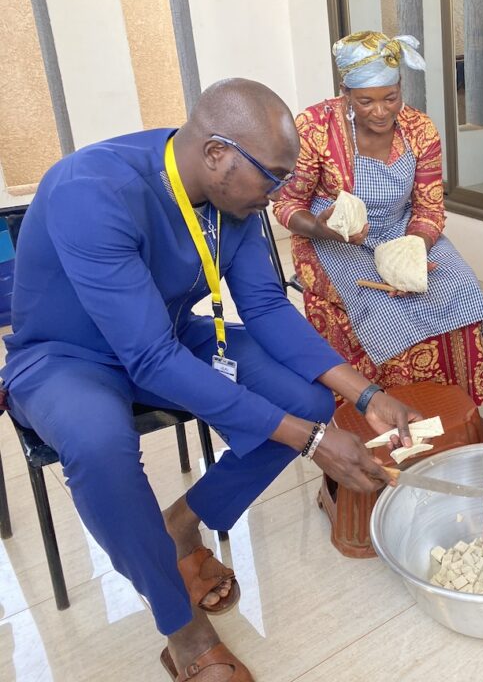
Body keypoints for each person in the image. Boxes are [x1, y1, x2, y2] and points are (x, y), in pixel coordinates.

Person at [0, 79, 420, 681]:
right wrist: (308, 442)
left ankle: (176, 525)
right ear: (217, 152)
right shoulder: (89, 190)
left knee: (304, 396)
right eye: (272, 176)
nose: (279, 196)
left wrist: (369, 396)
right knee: (97, 444)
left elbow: (268, 309)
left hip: (172, 335)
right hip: (68, 356)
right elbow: (145, 359)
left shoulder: (232, 200)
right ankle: (183, 628)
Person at [273, 31, 483, 409]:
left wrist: (411, 253)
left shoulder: (420, 130)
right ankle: (386, 410)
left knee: (458, 285)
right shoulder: (314, 127)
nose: (380, 111)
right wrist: (321, 228)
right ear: (346, 93)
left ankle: (451, 408)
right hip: (332, 238)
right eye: (366, 101)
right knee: (382, 306)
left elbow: (429, 207)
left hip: (402, 229)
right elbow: (288, 205)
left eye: (390, 98)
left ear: (401, 87)